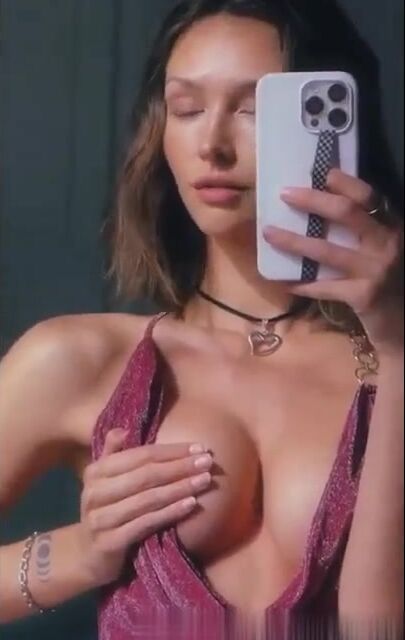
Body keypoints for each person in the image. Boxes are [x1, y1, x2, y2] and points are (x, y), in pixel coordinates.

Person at [0, 1, 403, 638]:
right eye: (186, 109)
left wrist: (398, 350)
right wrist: (82, 553)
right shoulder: (78, 359)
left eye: (252, 111)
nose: (211, 145)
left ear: (333, 127)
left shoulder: (391, 362)